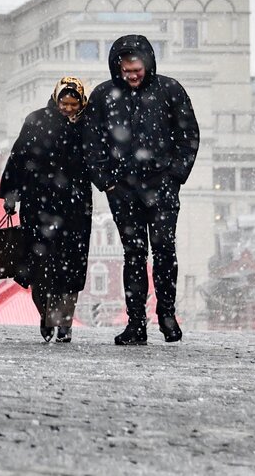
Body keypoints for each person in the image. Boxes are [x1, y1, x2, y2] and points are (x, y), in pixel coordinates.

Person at [86, 35, 200, 345]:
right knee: (134, 254)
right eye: (127, 70)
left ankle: (167, 314)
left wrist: (175, 176)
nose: (133, 76)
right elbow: (92, 142)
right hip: (123, 191)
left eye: (137, 70)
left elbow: (188, 134)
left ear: (147, 65)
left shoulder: (170, 90)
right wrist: (106, 182)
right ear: (117, 68)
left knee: (164, 252)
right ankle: (136, 322)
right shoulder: (103, 96)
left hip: (162, 187)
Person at [1, 76, 96, 343]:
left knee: (71, 267)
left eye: (73, 104)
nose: (68, 108)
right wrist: (11, 193)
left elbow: (100, 159)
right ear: (56, 99)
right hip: (37, 205)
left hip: (75, 209)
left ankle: (63, 322)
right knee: (40, 265)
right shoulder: (36, 121)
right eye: (64, 103)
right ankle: (46, 314)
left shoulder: (88, 125)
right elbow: (18, 157)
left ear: (81, 102)